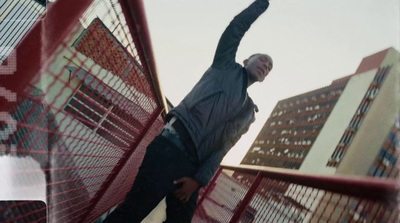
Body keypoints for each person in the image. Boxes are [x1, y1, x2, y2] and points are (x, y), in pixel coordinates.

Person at [103, 0, 273, 222]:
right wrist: (262, 4)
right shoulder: (224, 66)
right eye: (262, 60)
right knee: (133, 212)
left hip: (192, 169)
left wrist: (198, 180)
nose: (265, 66)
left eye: (269, 68)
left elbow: (223, 149)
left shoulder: (248, 113)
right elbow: (236, 28)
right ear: (246, 60)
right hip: (170, 148)